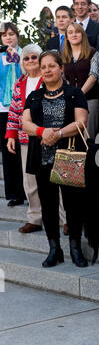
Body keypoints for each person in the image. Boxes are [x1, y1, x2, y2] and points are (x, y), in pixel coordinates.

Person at [22, 51, 89, 268]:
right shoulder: (34, 96)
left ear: (61, 68)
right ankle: (54, 249)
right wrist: (42, 132)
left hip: (68, 154)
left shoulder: (74, 93)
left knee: (73, 204)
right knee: (48, 206)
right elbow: (25, 124)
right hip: (42, 157)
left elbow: (81, 122)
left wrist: (57, 134)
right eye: (44, 67)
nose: (48, 70)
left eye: (52, 66)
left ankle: (75, 248)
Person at [6, 45, 43, 233]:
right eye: (26, 58)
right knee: (29, 180)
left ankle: (65, 218)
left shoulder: (49, 78)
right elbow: (13, 111)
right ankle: (35, 218)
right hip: (24, 138)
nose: (30, 61)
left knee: (56, 179)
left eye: (34, 57)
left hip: (47, 137)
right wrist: (11, 135)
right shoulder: (20, 83)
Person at [0, 22, 25, 207]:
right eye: (4, 35)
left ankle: (27, 190)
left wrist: (15, 57)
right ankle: (14, 193)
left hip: (23, 108)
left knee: (22, 151)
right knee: (8, 153)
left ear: (17, 35)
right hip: (2, 108)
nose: (8, 37)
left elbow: (26, 74)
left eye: (11, 34)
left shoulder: (25, 54)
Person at [62, 22, 99, 139]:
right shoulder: (64, 56)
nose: (74, 35)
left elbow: (93, 76)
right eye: (70, 32)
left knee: (88, 136)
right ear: (67, 37)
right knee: (72, 136)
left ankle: (90, 158)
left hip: (90, 99)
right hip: (71, 102)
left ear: (82, 34)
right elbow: (64, 78)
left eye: (77, 31)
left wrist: (79, 94)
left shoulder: (93, 53)